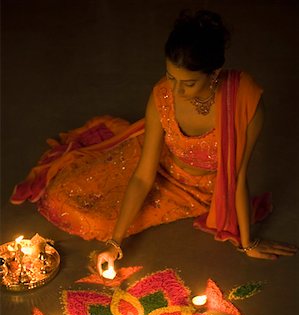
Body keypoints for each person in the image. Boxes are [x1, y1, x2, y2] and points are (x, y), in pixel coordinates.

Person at [10, 10, 297, 271]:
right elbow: (143, 176)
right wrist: (115, 243)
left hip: (200, 190)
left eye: (188, 83)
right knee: (65, 194)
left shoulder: (244, 100)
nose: (176, 91)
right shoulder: (162, 94)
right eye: (171, 77)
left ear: (214, 74)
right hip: (161, 164)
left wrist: (248, 243)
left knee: (100, 220)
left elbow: (237, 177)